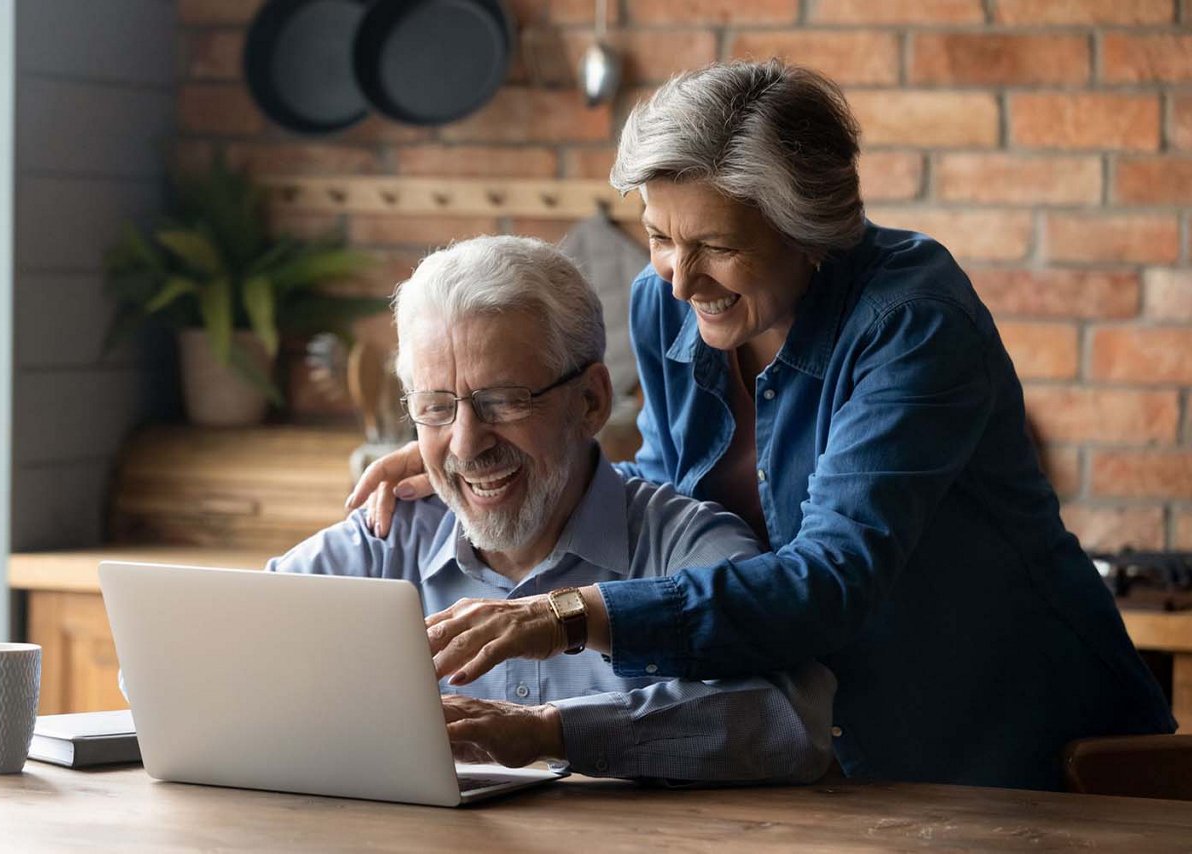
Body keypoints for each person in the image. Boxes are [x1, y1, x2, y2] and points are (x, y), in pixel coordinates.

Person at [347, 60, 1176, 791]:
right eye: (658, 237)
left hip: (1018, 741)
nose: (678, 280)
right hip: (835, 754)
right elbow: (665, 502)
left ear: (807, 228)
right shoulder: (659, 308)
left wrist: (563, 614)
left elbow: (830, 580)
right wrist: (479, 451)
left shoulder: (911, 319)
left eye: (714, 246)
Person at [271, 234, 835, 784]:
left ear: (590, 401)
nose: (467, 444)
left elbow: (790, 722)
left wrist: (554, 732)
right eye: (435, 408)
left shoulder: (685, 546)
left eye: (503, 402)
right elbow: (229, 654)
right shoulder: (383, 539)